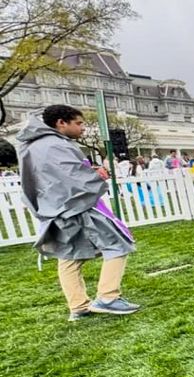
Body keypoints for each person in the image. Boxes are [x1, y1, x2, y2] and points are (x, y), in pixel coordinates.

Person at [16, 106, 141, 321]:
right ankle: (108, 296)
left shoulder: (31, 146)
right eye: (79, 123)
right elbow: (73, 180)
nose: (83, 128)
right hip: (75, 207)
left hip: (54, 209)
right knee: (117, 244)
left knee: (69, 257)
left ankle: (78, 306)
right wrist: (98, 177)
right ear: (61, 123)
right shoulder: (55, 145)